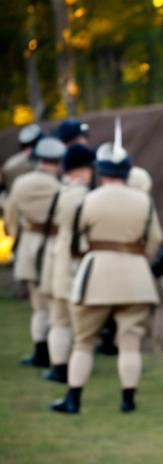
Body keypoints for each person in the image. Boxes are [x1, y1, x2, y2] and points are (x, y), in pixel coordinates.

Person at [50, 127, 163, 414]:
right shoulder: (144, 201)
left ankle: (74, 398)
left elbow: (76, 240)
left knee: (84, 341)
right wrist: (138, 258)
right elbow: (155, 240)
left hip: (96, 274)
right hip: (136, 276)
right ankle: (128, 399)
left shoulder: (89, 200)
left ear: (101, 171)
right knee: (130, 342)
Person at [4, 136, 66, 368]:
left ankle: (40, 352)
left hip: (30, 245)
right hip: (55, 245)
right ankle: (56, 354)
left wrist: (16, 235)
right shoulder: (61, 186)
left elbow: (11, 213)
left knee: (38, 305)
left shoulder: (21, 184)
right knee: (55, 305)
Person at [45, 143, 96, 383]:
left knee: (59, 320)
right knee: (80, 325)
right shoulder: (83, 195)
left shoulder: (63, 191)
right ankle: (76, 366)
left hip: (60, 258)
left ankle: (59, 366)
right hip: (77, 260)